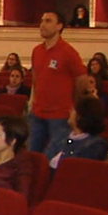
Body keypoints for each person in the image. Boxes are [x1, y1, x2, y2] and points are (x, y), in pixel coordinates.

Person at [29, 11, 89, 152]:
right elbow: (35, 78)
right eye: (42, 20)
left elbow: (82, 80)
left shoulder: (68, 52)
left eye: (48, 21)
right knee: (33, 155)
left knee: (55, 156)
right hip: (38, 114)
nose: (42, 25)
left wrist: (73, 104)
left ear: (59, 26)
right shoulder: (37, 51)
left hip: (60, 117)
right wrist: (33, 101)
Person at [45, 97, 108, 170]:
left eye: (73, 110)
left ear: (79, 116)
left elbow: (73, 168)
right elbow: (46, 157)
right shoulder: (62, 134)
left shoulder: (95, 145)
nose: (69, 111)